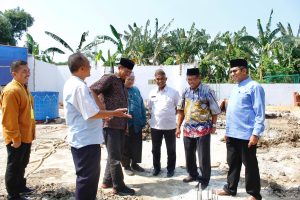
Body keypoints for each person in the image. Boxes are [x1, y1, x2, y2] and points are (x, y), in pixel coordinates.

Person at [63, 53, 131, 200]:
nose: (91, 67)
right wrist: (112, 113)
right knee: (87, 179)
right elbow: (91, 113)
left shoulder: (74, 83)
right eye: (88, 65)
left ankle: (106, 182)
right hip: (85, 140)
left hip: (85, 139)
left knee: (88, 177)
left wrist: (104, 113)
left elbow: (89, 111)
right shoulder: (80, 86)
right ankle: (116, 185)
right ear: (81, 68)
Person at [216, 59, 265, 200]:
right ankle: (231, 188)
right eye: (231, 71)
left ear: (244, 70)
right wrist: (227, 131)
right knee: (232, 163)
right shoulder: (236, 87)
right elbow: (233, 112)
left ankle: (254, 194)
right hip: (232, 134)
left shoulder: (254, 87)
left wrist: (255, 134)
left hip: (246, 134)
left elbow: (260, 113)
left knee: (250, 166)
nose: (232, 74)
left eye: (235, 71)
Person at [90, 58, 136, 196]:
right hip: (110, 124)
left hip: (120, 125)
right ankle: (119, 187)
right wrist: (101, 108)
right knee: (116, 157)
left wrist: (125, 125)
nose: (127, 75)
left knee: (114, 154)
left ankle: (107, 181)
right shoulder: (109, 78)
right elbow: (92, 90)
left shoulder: (122, 84)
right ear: (119, 67)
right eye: (126, 71)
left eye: (130, 72)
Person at [176, 68, 221, 190]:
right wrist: (178, 127)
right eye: (188, 79)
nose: (190, 82)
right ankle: (192, 174)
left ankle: (204, 179)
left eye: (192, 79)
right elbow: (180, 110)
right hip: (188, 129)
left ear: (198, 78)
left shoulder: (207, 90)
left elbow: (215, 110)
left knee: (203, 156)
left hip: (203, 129)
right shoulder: (185, 91)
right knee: (189, 154)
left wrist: (214, 125)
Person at [0, 60, 35, 200]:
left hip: (26, 134)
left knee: (23, 162)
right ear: (14, 74)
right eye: (24, 71)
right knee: (14, 165)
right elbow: (9, 118)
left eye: (28, 70)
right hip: (17, 137)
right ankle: (13, 194)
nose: (28, 74)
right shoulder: (11, 90)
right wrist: (15, 138)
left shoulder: (23, 87)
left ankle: (20, 186)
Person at [148, 69, 180, 177]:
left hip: (170, 126)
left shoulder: (173, 92)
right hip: (155, 126)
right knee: (155, 149)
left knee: (171, 149)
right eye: (158, 79)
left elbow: (177, 107)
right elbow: (150, 107)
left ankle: (170, 169)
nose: (160, 81)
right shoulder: (152, 92)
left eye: (162, 79)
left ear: (166, 79)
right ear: (155, 80)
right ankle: (156, 168)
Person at [122, 72, 147, 176]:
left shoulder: (136, 89)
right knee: (126, 145)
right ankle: (126, 166)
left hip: (137, 122)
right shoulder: (121, 90)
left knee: (137, 145)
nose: (131, 81)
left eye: (133, 79)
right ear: (124, 79)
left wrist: (143, 119)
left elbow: (141, 104)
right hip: (126, 124)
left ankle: (135, 164)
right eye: (129, 79)